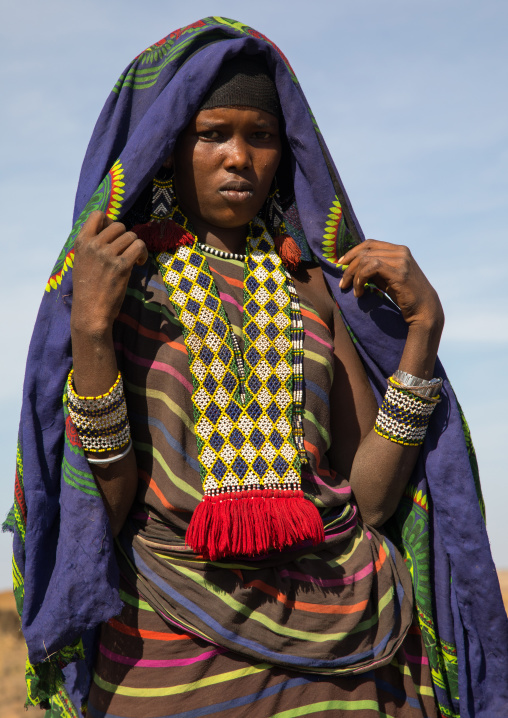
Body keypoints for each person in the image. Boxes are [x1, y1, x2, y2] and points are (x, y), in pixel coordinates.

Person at [6, 17, 508, 718]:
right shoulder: (122, 285)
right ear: (169, 143)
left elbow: (367, 500)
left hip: (353, 651)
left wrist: (423, 337)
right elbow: (109, 501)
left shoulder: (313, 291)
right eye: (213, 134)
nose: (238, 157)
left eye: (260, 136)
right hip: (171, 652)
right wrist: (89, 329)